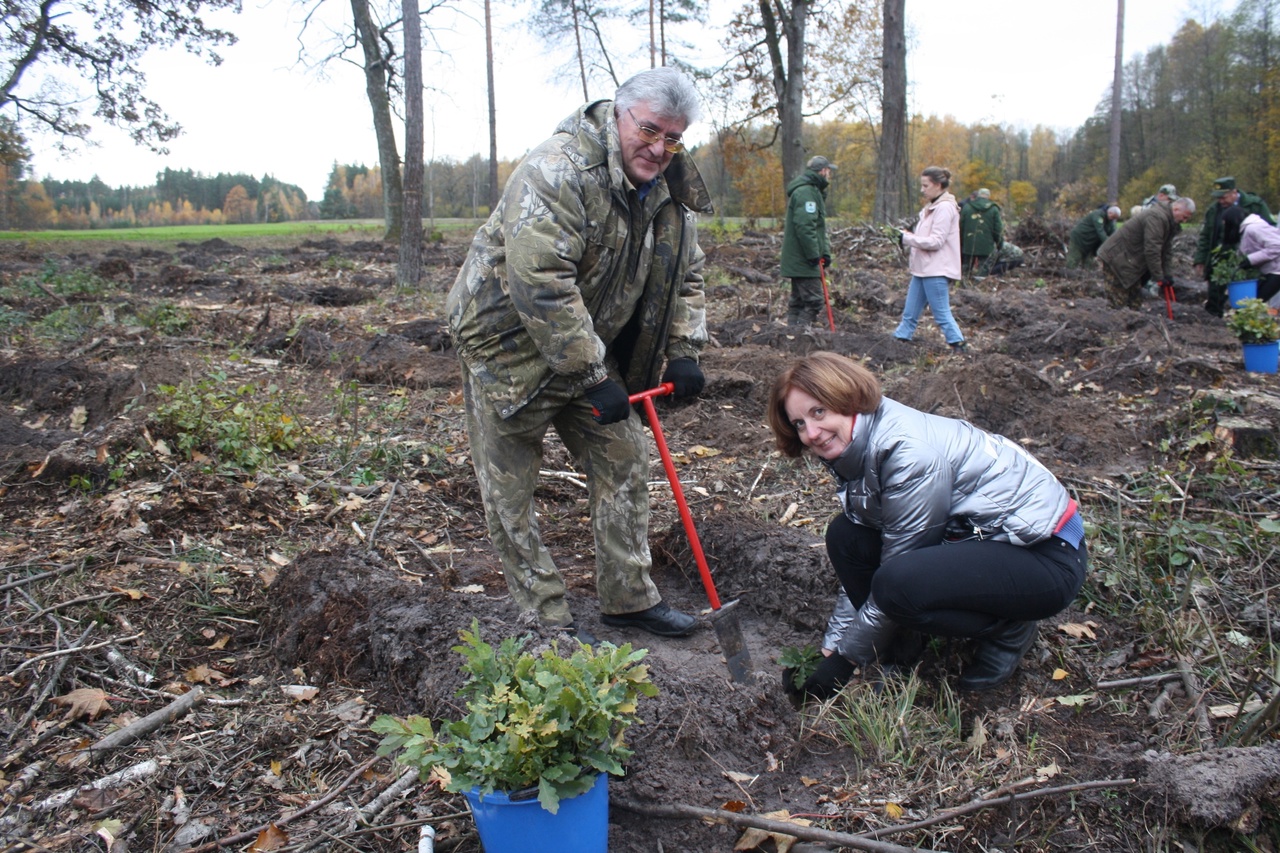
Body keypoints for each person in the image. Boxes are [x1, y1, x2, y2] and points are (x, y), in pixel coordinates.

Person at [446, 67, 712, 642]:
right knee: (510, 489)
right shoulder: (557, 169)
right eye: (649, 131)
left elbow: (686, 273)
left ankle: (629, 597)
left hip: (584, 346)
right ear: (619, 113)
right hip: (507, 349)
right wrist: (594, 374)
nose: (660, 148)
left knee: (624, 459)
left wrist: (684, 350)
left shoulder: (670, 187)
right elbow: (541, 281)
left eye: (674, 138)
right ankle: (544, 617)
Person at [766, 352, 1088, 698]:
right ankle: (903, 649)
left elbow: (897, 572)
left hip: (1044, 556)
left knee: (897, 584)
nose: (811, 433)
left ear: (847, 398)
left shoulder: (907, 453)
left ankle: (1009, 629)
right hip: (979, 541)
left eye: (819, 412)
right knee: (847, 536)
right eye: (799, 423)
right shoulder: (857, 447)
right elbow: (872, 558)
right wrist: (830, 649)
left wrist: (844, 662)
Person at [892, 166, 966, 352]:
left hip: (936, 269)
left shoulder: (944, 208)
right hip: (923, 268)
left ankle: (958, 345)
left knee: (941, 313)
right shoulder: (931, 208)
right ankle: (900, 338)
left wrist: (906, 239)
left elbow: (936, 241)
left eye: (925, 185)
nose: (922, 190)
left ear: (938, 185)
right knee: (910, 313)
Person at [1193, 177, 1277, 316]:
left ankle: (1245, 317)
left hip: (1254, 259)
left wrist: (1252, 258)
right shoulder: (1214, 210)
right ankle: (1214, 318)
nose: (1221, 201)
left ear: (1234, 192)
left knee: (1252, 295)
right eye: (1218, 198)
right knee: (1217, 288)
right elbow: (1206, 236)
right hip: (1224, 255)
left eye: (1224, 197)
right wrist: (1200, 259)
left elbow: (1271, 234)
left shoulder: (1254, 206)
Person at [1096, 197, 1197, 310]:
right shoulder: (1156, 217)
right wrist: (1159, 277)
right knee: (1118, 303)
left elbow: (1166, 250)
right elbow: (1152, 249)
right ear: (1177, 209)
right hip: (1117, 258)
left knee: (1134, 302)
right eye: (1184, 217)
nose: (1185, 221)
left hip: (1130, 260)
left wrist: (1167, 274)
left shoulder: (1169, 222)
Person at [780, 155, 836, 326]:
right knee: (814, 301)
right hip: (803, 259)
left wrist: (824, 253)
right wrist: (814, 255)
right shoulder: (806, 193)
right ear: (823, 171)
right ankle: (800, 337)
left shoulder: (813, 191)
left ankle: (790, 336)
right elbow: (805, 226)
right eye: (829, 171)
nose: (829, 175)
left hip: (801, 258)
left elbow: (818, 228)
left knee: (798, 300)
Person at [1224, 205, 1280, 305]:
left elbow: (1276, 246)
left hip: (1276, 271)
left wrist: (1250, 260)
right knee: (1252, 303)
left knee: (1252, 304)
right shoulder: (1246, 230)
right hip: (1270, 271)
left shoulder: (1253, 228)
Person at [959, 188, 1003, 278]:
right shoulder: (994, 209)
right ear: (988, 196)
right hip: (986, 245)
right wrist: (999, 243)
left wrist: (961, 243)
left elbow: (960, 227)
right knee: (983, 270)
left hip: (968, 244)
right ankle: (979, 288)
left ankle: (962, 287)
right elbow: (998, 229)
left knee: (965, 269)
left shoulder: (967, 207)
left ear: (978, 195)